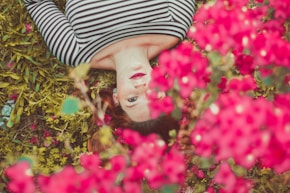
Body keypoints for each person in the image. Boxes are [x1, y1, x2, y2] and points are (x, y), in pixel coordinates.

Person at [24, 0, 196, 150]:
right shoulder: (175, 25)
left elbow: (37, 3)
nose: (141, 87)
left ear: (116, 98)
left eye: (132, 100)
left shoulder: (75, 52)